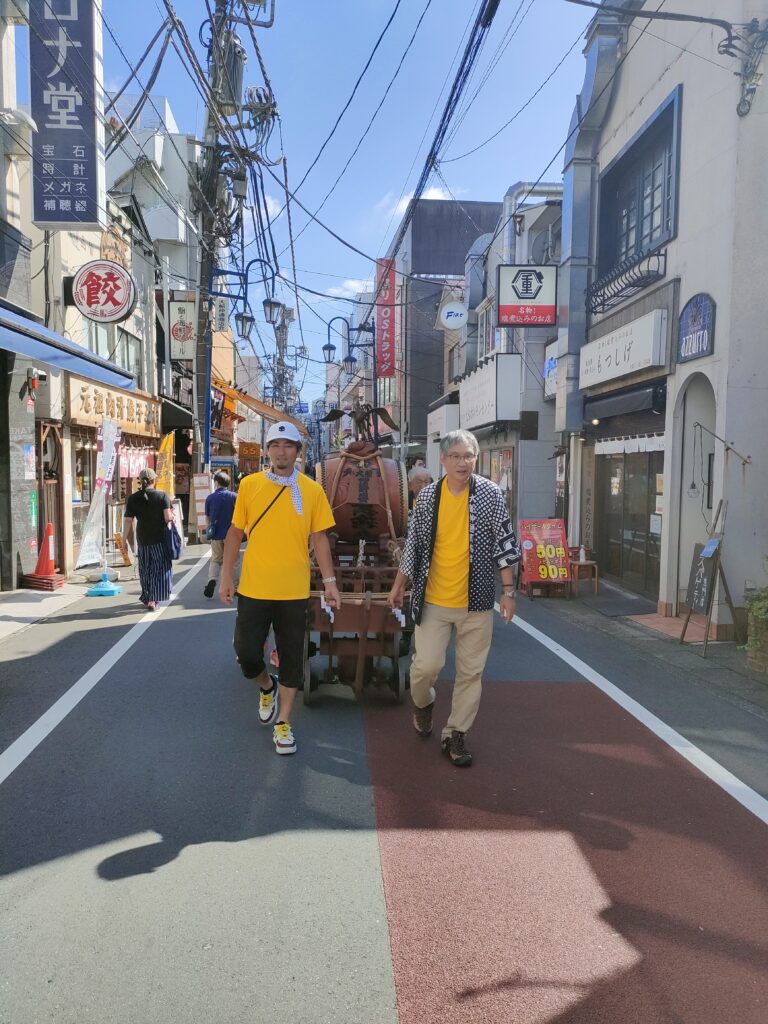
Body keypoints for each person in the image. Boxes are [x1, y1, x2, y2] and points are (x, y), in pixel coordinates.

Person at [388, 429, 520, 767]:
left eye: (469, 456)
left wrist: (508, 592)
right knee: (425, 667)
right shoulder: (429, 497)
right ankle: (423, 703)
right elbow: (415, 545)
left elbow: (505, 543)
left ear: (475, 459)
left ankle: (455, 734)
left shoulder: (490, 495)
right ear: (443, 460)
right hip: (432, 599)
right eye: (456, 456)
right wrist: (399, 584)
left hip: (476, 602)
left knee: (470, 673)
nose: (463, 463)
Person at [219, 422, 341, 756]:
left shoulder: (312, 490)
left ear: (298, 453)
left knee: (292, 658)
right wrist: (227, 576)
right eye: (275, 445)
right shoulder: (250, 485)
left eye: (288, 446)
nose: (281, 451)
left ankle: (284, 722)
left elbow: (319, 538)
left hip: (294, 590)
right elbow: (234, 533)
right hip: (255, 587)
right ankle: (265, 685)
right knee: (245, 652)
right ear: (267, 450)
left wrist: (329, 583)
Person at [123, 467, 174, 611]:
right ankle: (153, 598)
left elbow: (128, 521)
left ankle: (147, 595)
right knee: (160, 567)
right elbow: (167, 517)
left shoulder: (133, 498)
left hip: (143, 539)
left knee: (145, 568)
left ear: (140, 481)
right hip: (160, 539)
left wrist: (123, 540)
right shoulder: (162, 496)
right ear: (154, 480)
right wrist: (172, 517)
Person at [203, 470, 238, 598]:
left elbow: (207, 518)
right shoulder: (234, 497)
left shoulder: (210, 498)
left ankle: (212, 580)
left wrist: (208, 530)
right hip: (232, 535)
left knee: (216, 559)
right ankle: (234, 587)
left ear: (216, 482)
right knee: (232, 560)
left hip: (216, 534)